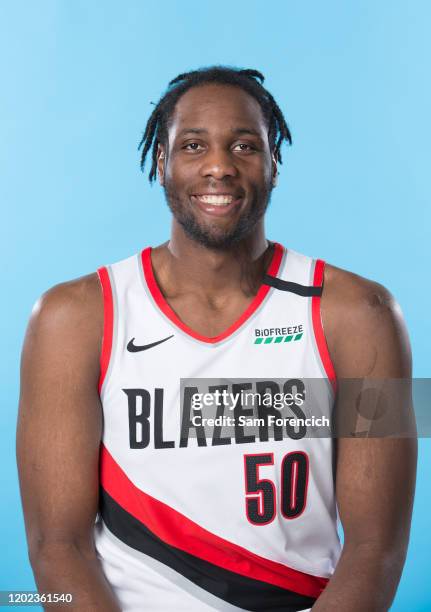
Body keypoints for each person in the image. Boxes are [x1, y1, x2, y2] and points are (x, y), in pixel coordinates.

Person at [17, 66, 417, 611]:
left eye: (245, 146)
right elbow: (55, 547)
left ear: (275, 163)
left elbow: (378, 547)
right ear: (161, 163)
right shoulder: (69, 319)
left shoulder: (367, 315)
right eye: (193, 145)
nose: (219, 166)